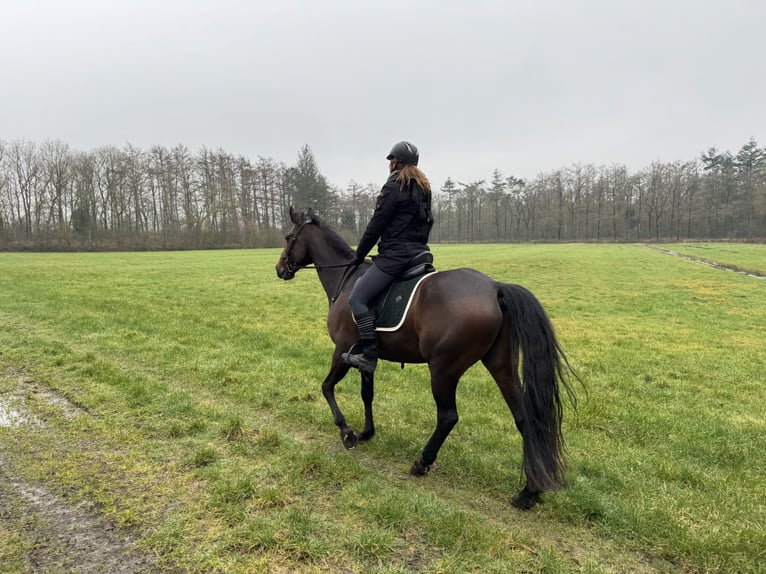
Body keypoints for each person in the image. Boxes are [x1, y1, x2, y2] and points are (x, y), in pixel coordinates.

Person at [341, 141, 434, 374]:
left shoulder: (393, 186)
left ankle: (369, 355)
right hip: (421, 254)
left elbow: (376, 226)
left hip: (396, 257)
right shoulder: (424, 187)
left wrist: (358, 255)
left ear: (395, 162)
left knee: (357, 298)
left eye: (390, 161)